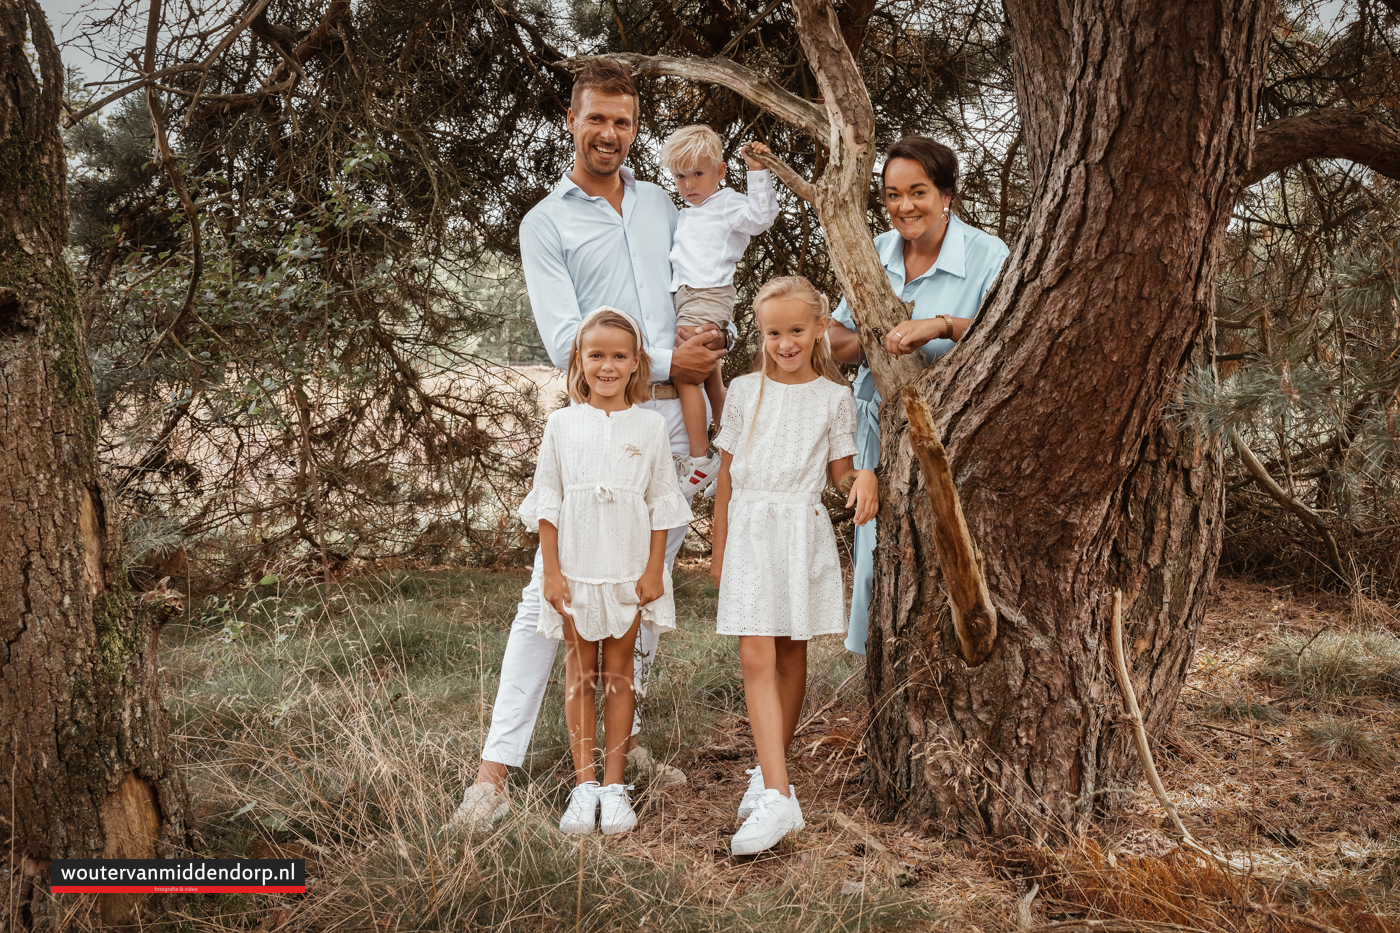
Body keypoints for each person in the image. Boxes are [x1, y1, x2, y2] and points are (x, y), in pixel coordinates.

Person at [446, 58, 728, 831]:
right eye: (597, 118)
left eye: (624, 122)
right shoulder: (547, 223)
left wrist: (707, 357)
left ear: (636, 129)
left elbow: (697, 282)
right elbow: (569, 339)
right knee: (551, 591)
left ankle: (618, 745)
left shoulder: (663, 206)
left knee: (643, 584)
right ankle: (492, 775)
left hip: (673, 422)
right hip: (597, 424)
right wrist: (672, 360)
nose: (610, 134)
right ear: (572, 121)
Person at [710, 275, 878, 855]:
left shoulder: (834, 398)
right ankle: (781, 796)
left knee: (788, 652)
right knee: (754, 653)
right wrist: (719, 545)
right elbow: (725, 478)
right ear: (760, 334)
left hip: (799, 530)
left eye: (797, 331)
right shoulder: (742, 390)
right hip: (750, 530)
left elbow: (839, 474)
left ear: (820, 329)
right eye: (773, 333)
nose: (785, 343)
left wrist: (866, 476)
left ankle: (766, 772)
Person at [828, 136, 1009, 656]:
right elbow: (837, 342)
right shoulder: (876, 252)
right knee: (875, 562)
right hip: (878, 428)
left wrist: (942, 325)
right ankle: (878, 677)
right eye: (891, 195)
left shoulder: (986, 254)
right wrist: (877, 337)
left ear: (946, 194)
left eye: (918, 192)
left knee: (936, 558)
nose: (903, 206)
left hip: (952, 429)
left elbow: (1011, 332)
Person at [520, 307, 693, 834]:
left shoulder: (650, 425)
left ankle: (616, 788)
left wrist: (654, 568)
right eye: (597, 355)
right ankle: (584, 785)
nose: (608, 366)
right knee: (580, 675)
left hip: (625, 569)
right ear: (580, 360)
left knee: (620, 676)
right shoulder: (561, 424)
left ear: (636, 362)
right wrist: (553, 574)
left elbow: (662, 500)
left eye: (619, 356)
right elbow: (547, 502)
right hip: (575, 568)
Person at [660, 125, 780, 493]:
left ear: (720, 172)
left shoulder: (727, 204)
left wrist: (758, 173)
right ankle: (731, 449)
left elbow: (761, 219)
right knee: (710, 372)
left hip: (708, 295)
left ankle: (701, 459)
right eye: (681, 176)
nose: (689, 184)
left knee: (685, 374)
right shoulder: (688, 212)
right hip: (689, 297)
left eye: (698, 174)